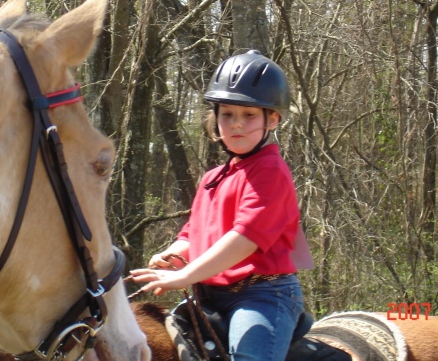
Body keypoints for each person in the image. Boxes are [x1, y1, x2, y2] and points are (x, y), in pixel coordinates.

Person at [129, 50, 313, 361]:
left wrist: (184, 277)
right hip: (210, 296)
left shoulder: (270, 171)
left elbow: (245, 240)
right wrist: (173, 255)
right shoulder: (213, 177)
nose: (237, 124)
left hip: (262, 296)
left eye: (249, 115)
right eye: (227, 114)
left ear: (273, 119)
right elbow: (193, 235)